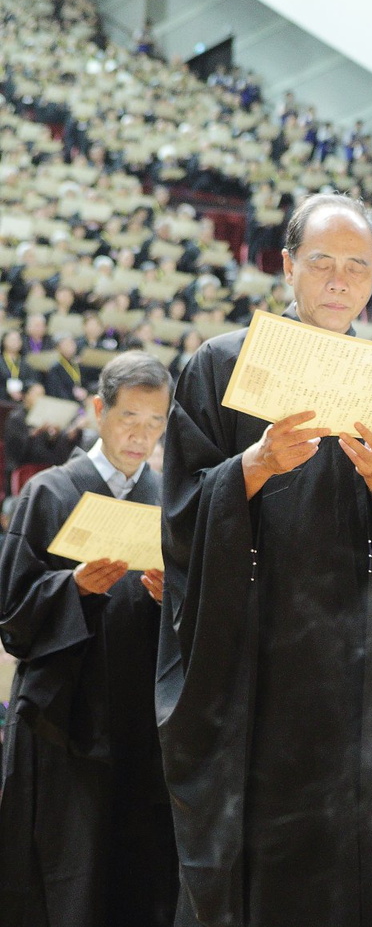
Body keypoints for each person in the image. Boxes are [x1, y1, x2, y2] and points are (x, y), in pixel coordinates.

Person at [157, 193, 372, 927]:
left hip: (359, 669)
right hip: (254, 664)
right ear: (287, 265)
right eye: (322, 262)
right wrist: (249, 468)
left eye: (358, 266)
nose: (339, 280)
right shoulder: (224, 362)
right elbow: (182, 512)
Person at [0, 352, 177, 925]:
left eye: (156, 424)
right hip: (63, 726)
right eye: (130, 418)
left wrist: (171, 598)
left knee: (133, 881)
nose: (141, 435)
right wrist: (69, 589)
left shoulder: (168, 504)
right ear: (100, 410)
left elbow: (195, 624)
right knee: (59, 876)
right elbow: (12, 617)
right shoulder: (50, 493)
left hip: (139, 730)